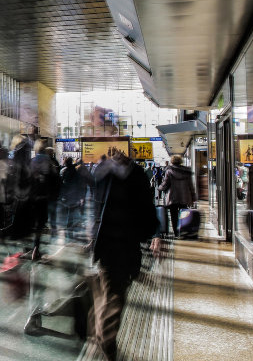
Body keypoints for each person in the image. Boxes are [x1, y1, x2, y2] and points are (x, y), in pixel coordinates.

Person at [89, 146, 158, 361]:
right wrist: (153, 233)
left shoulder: (100, 172)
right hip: (123, 246)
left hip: (104, 246)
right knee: (113, 300)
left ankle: (98, 333)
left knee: (106, 294)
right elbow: (147, 212)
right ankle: (106, 345)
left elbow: (93, 207)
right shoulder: (135, 174)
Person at [158, 155, 196, 237]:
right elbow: (191, 186)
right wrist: (193, 197)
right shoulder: (187, 172)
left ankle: (175, 232)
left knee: (173, 215)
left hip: (173, 197)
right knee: (184, 214)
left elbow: (165, 184)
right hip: (185, 197)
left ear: (172, 162)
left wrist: (159, 188)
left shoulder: (169, 171)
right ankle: (183, 230)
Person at [59, 157, 88, 242]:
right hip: (73, 193)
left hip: (66, 194)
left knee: (67, 209)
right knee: (71, 210)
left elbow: (62, 182)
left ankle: (67, 224)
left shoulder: (63, 171)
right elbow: (77, 182)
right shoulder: (74, 171)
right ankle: (69, 224)